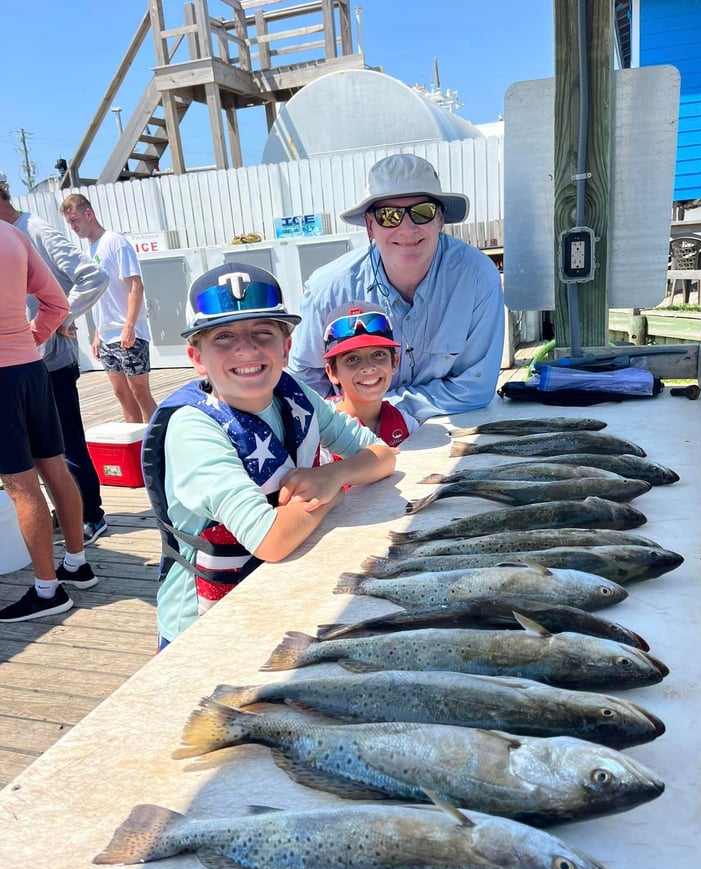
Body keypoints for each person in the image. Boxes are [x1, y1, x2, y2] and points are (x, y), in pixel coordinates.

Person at [141, 263, 396, 646]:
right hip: (202, 627)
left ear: (286, 347)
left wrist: (331, 475)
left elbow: (383, 455)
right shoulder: (194, 429)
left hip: (274, 596)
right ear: (197, 357)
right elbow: (270, 539)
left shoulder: (294, 395)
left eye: (263, 333)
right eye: (223, 336)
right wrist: (332, 494)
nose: (246, 349)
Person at [287, 153, 505, 423]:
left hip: (449, 426)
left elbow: (475, 388)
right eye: (388, 216)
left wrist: (384, 410)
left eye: (421, 212)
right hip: (352, 434)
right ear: (370, 226)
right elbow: (306, 383)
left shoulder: (478, 277)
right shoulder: (327, 290)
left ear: (440, 219)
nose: (407, 227)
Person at [0, 174, 109, 544]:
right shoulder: (14, 232)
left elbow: (92, 275)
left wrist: (59, 318)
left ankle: (91, 516)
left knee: (65, 446)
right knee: (47, 454)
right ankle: (70, 517)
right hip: (28, 360)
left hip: (50, 359)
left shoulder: (33, 229)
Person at [0, 221, 98, 623]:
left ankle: (47, 590)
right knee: (55, 467)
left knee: (20, 486)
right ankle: (77, 563)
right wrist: (30, 339)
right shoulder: (12, 234)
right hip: (32, 369)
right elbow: (57, 303)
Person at [59, 194, 157, 423]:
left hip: (128, 333)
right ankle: (134, 445)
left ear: (88, 214)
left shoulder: (115, 242)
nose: (73, 227)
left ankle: (157, 444)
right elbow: (101, 296)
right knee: (122, 394)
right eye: (69, 223)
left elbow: (135, 285)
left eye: (75, 220)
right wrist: (97, 334)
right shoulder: (91, 250)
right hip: (107, 336)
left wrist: (130, 326)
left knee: (140, 392)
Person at [322, 301, 419, 446]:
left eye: (378, 354)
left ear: (394, 362)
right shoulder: (319, 431)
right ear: (332, 373)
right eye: (352, 359)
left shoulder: (406, 423)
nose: (368, 367)